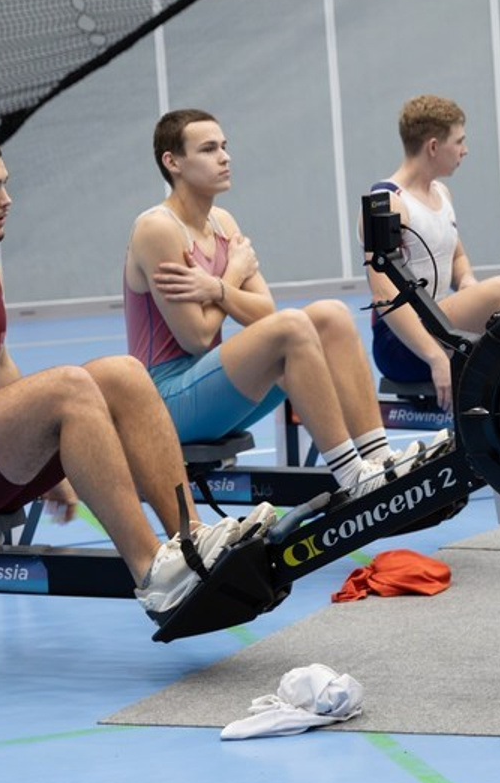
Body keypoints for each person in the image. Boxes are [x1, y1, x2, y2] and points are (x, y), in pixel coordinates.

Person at [0, 129, 271, 625]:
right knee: (70, 385)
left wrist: (39, 445)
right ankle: (154, 574)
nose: (7, 200)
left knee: (122, 372)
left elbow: (1, 369)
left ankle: (192, 536)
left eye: (5, 184)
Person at [125, 109, 419, 502]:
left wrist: (215, 288)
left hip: (206, 386)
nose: (225, 157)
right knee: (292, 329)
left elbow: (265, 311)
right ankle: (352, 475)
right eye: (209, 149)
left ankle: (378, 459)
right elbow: (195, 336)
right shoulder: (156, 228)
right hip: (165, 403)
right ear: (172, 162)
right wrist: (230, 277)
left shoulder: (223, 223)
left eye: (225, 147)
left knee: (329, 316)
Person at [368, 94, 500, 410]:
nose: (466, 150)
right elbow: (384, 295)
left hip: (437, 319)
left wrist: (468, 284)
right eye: (459, 141)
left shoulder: (440, 192)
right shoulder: (389, 201)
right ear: (433, 147)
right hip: (402, 345)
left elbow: (457, 257)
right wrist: (435, 357)